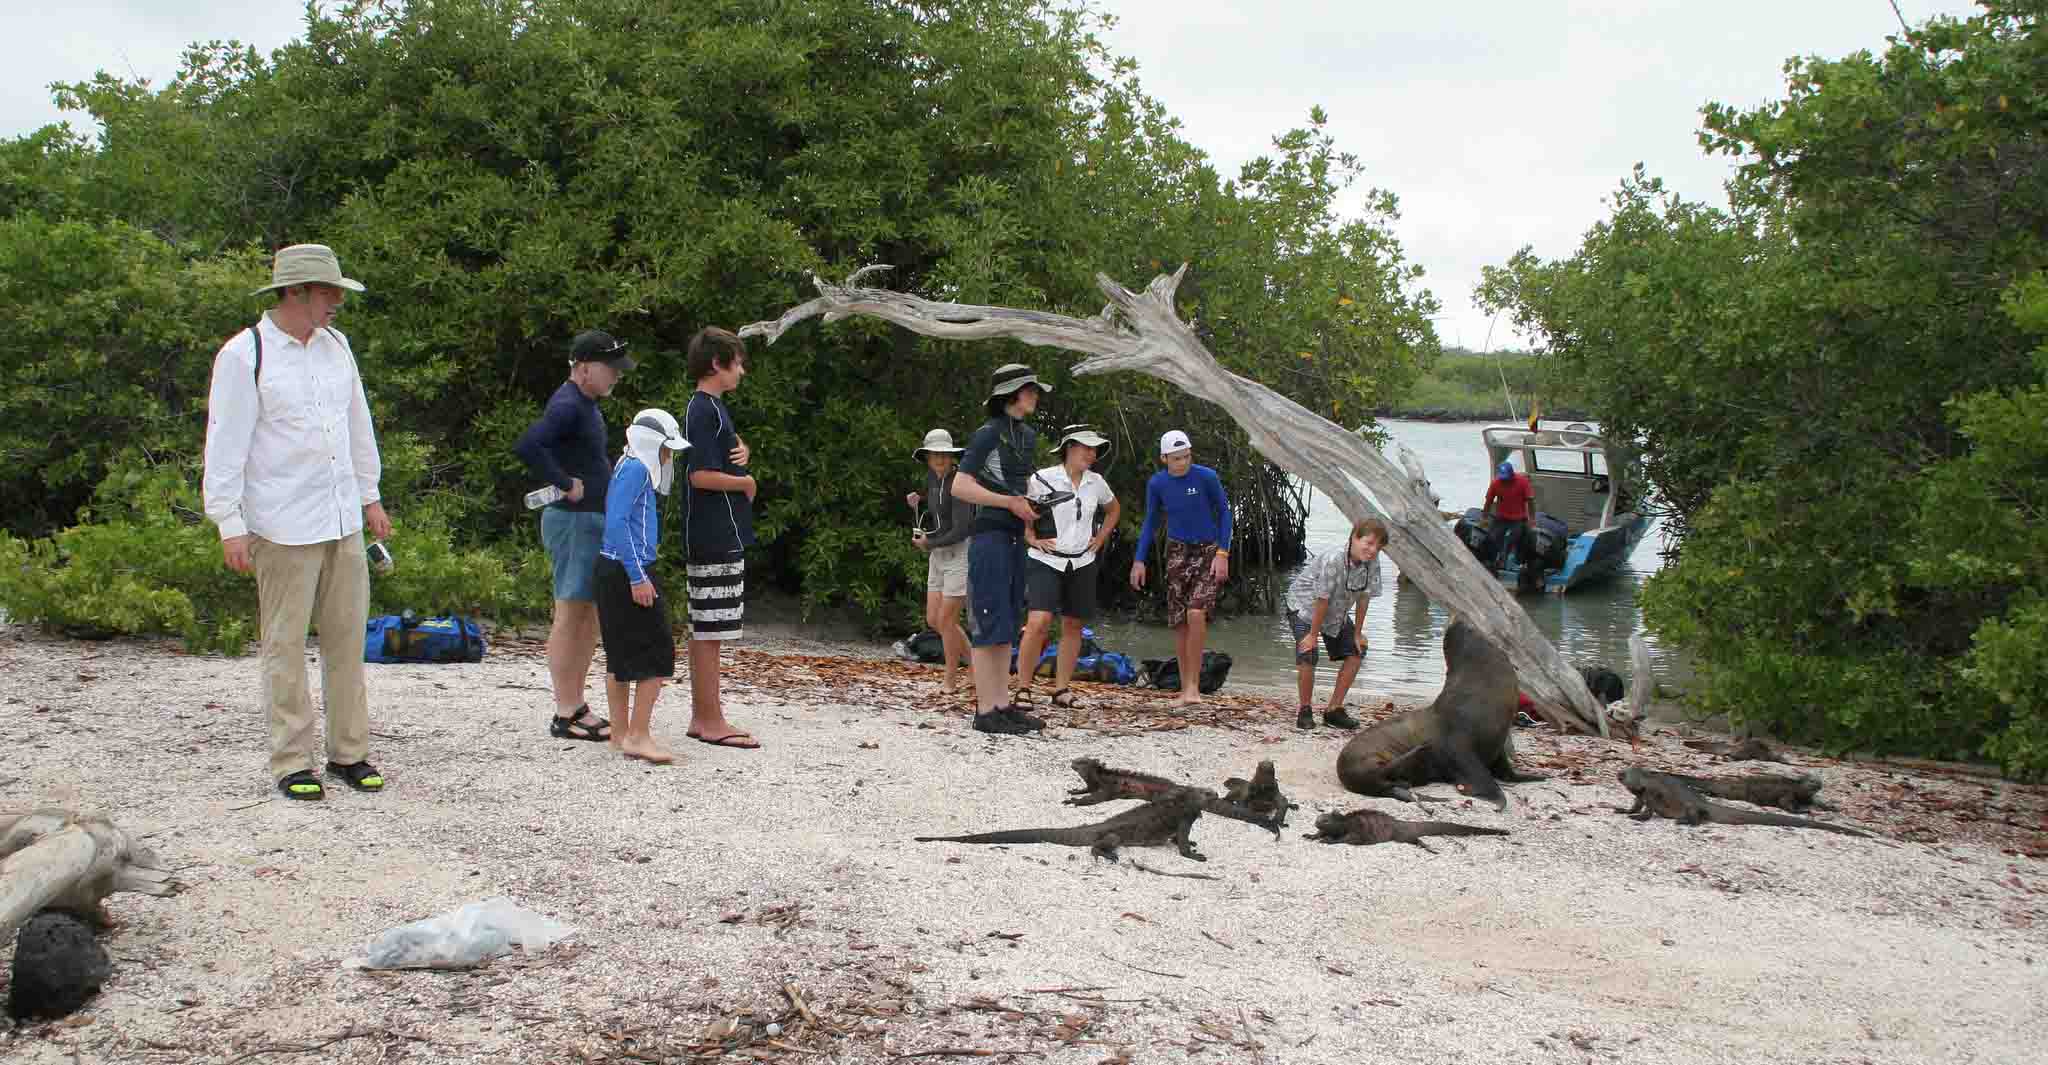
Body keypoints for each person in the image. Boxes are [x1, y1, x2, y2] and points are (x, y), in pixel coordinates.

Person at [202, 243, 391, 801]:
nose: (336, 301)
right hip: (281, 523)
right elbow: (225, 443)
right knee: (284, 645)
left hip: (341, 518)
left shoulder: (338, 347)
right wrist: (228, 522)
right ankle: (291, 760)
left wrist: (370, 495)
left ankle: (349, 752)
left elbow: (359, 424)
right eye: (328, 291)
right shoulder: (245, 354)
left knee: (346, 639)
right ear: (296, 292)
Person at [513, 329, 636, 744]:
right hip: (573, 522)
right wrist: (564, 482)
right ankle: (565, 711)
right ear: (584, 368)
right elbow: (529, 445)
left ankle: (576, 704)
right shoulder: (567, 403)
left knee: (587, 615)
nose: (616, 376)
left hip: (589, 521)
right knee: (569, 612)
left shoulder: (585, 403)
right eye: (610, 369)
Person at [950, 363, 1054, 735]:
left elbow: (1018, 484)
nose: (1036, 396)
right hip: (989, 536)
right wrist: (1008, 503)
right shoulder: (987, 434)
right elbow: (960, 486)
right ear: (1013, 393)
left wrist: (1031, 508)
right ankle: (985, 710)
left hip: (1013, 536)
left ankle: (1001, 704)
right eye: (1031, 390)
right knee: (989, 619)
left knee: (1007, 621)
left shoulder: (1025, 435)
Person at [679, 327, 761, 750]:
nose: (742, 371)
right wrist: (743, 482)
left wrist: (740, 450)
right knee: (709, 629)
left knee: (710, 626)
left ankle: (705, 715)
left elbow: (722, 451)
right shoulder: (702, 409)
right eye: (737, 362)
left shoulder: (712, 409)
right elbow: (698, 474)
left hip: (719, 531)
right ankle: (709, 718)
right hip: (711, 533)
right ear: (717, 363)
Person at [594, 409, 689, 764]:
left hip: (612, 567)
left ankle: (620, 733)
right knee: (659, 652)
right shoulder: (636, 469)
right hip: (627, 569)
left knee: (619, 654)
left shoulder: (625, 463)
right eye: (667, 448)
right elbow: (618, 524)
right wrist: (638, 577)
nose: (669, 456)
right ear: (653, 445)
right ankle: (638, 735)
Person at [1014, 424, 1119, 710]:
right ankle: (1023, 688)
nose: (1092, 453)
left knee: (1074, 624)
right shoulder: (1043, 478)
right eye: (1086, 447)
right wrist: (1029, 536)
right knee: (1039, 622)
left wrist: (1100, 537)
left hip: (1082, 560)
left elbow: (1113, 509)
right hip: (1045, 559)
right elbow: (1023, 509)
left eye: (1094, 449)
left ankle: (1061, 689)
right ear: (1069, 448)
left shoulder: (1096, 482)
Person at [1128, 429, 1232, 707]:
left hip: (1209, 549)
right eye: (1176, 458)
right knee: (1180, 622)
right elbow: (1150, 522)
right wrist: (1139, 560)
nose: (1182, 463)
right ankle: (1186, 688)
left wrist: (1223, 553)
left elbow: (1225, 512)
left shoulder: (1206, 477)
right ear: (1164, 458)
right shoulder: (1157, 484)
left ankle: (1195, 687)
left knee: (1196, 612)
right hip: (1177, 551)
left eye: (1186, 457)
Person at [1284, 518, 1387, 731]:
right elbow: (1322, 599)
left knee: (1357, 651)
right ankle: (1304, 710)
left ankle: (1334, 709)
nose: (1372, 550)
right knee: (1308, 652)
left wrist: (1358, 633)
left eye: (1377, 547)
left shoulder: (1372, 562)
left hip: (1336, 609)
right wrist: (1313, 635)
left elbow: (1364, 598)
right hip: (1305, 605)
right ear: (1354, 538)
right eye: (1368, 543)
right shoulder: (1334, 559)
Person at [906, 428, 975, 693]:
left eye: (944, 454)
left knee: (946, 620)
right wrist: (919, 500)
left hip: (958, 553)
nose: (940, 459)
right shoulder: (933, 479)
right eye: (934, 454)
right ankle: (973, 664)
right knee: (934, 620)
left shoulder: (959, 483)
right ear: (927, 457)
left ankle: (950, 679)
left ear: (951, 456)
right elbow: (938, 506)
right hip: (938, 552)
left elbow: (962, 528)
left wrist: (928, 543)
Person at [1482, 460, 1534, 568]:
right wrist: (1484, 517)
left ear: (1512, 474)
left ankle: (1505, 559)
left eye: (1506, 478)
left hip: (1519, 518)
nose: (1504, 481)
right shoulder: (1496, 483)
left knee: (1513, 538)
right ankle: (1492, 559)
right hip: (1501, 517)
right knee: (1493, 537)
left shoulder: (1523, 482)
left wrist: (1532, 519)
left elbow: (1530, 500)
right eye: (1502, 478)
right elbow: (1488, 502)